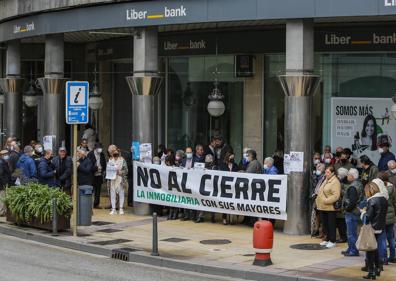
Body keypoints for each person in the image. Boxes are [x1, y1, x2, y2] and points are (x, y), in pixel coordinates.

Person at [360, 182, 388, 280]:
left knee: (370, 250)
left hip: (371, 228)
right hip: (380, 227)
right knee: (375, 248)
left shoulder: (372, 201)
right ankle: (377, 268)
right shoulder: (384, 199)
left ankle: (371, 272)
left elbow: (367, 218)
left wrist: (363, 212)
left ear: (369, 190)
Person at [316, 166, 341, 249]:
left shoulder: (335, 182)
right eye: (326, 172)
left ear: (333, 173)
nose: (326, 174)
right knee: (325, 225)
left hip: (330, 207)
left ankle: (332, 240)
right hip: (322, 207)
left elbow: (336, 195)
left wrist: (326, 201)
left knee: (331, 225)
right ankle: (326, 239)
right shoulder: (326, 180)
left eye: (328, 172)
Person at [341, 168, 363, 257]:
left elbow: (353, 201)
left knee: (351, 233)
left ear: (352, 176)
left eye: (348, 174)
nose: (347, 176)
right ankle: (350, 248)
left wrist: (347, 210)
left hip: (352, 212)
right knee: (351, 232)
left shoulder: (353, 187)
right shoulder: (359, 183)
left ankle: (353, 250)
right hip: (355, 211)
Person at [378, 172, 396, 264]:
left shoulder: (379, 189)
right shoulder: (392, 187)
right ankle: (393, 256)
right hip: (391, 215)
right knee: (391, 238)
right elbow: (394, 202)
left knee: (382, 238)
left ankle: (384, 258)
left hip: (382, 216)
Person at [217, 152, 239, 225]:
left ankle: (233, 218)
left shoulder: (235, 165)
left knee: (232, 202)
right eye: (231, 157)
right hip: (225, 186)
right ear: (227, 157)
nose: (232, 159)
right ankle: (224, 218)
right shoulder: (223, 165)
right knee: (225, 202)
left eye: (233, 157)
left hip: (233, 186)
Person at [107, 145, 128, 215]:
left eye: (116, 153)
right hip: (112, 179)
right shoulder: (110, 160)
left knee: (121, 194)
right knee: (112, 194)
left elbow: (126, 170)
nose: (115, 155)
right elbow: (107, 170)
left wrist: (120, 172)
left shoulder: (122, 160)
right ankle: (113, 209)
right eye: (114, 153)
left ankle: (121, 208)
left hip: (120, 179)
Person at [88, 143, 107, 208]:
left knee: (98, 191)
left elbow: (104, 163)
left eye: (101, 148)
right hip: (92, 175)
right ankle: (89, 204)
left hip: (99, 175)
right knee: (91, 190)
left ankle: (96, 204)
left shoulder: (102, 154)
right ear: (95, 148)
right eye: (99, 148)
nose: (100, 149)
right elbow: (89, 166)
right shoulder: (90, 154)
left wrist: (102, 169)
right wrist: (96, 168)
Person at [311, 163, 326, 237]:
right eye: (317, 167)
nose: (318, 168)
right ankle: (316, 229)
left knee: (322, 214)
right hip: (315, 197)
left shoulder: (325, 177)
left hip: (322, 197)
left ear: (324, 169)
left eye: (320, 167)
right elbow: (312, 185)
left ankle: (322, 231)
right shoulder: (315, 176)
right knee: (316, 214)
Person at [336, 167, 349, 244]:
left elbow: (346, 194)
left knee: (342, 223)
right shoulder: (341, 182)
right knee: (340, 222)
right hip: (340, 206)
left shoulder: (346, 183)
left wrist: (340, 190)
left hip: (343, 206)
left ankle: (343, 237)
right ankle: (342, 236)